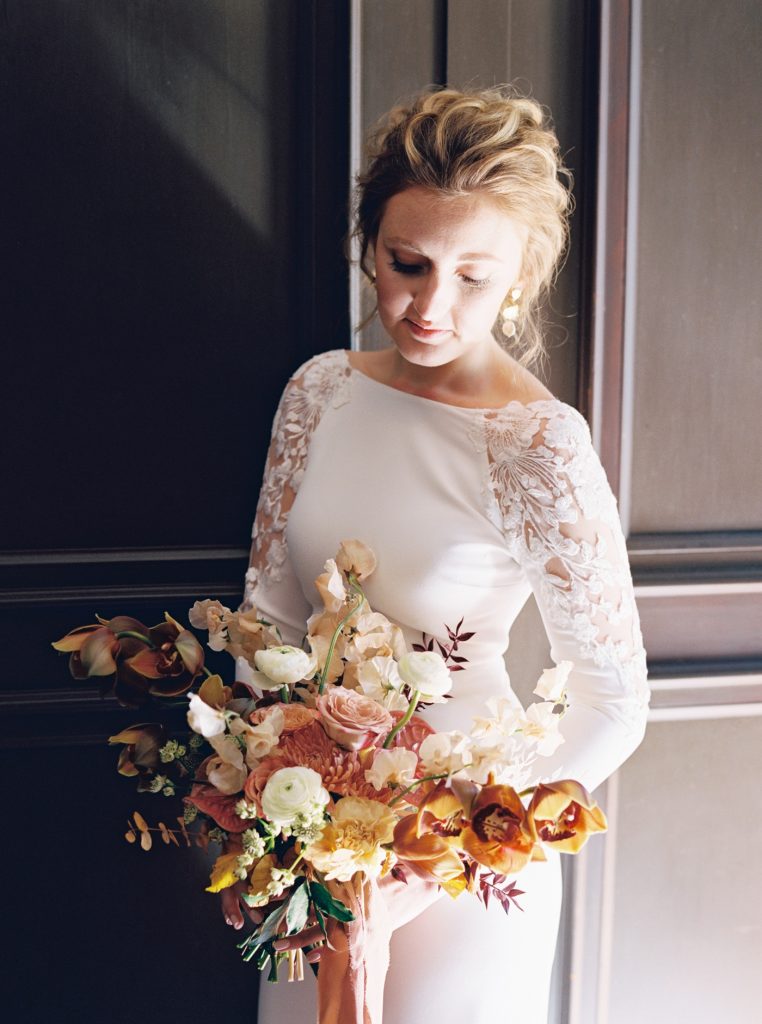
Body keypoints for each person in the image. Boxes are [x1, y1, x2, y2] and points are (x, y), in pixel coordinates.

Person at [222, 86, 649, 1023]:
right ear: (367, 244)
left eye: (472, 277)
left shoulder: (538, 443)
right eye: (406, 263)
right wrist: (265, 802)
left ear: (521, 281)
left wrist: (440, 846)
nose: (427, 305)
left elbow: (615, 699)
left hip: (461, 861)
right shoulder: (319, 391)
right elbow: (267, 620)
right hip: (309, 832)